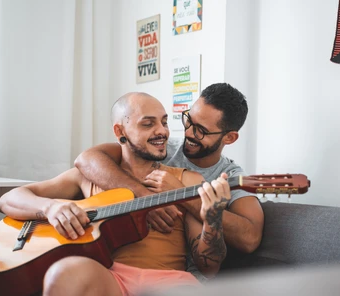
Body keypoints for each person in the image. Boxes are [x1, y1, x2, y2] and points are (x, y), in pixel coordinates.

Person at [0, 92, 231, 296]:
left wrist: (214, 221)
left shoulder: (186, 181)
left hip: (167, 283)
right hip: (107, 277)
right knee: (64, 272)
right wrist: (50, 208)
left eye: (164, 121)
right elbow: (8, 200)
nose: (162, 131)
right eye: (148, 124)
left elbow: (208, 268)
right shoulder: (88, 176)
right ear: (120, 132)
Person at [75, 83, 264, 255]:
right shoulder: (159, 147)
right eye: (188, 120)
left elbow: (250, 239)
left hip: (182, 271)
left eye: (201, 130)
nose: (188, 132)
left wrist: (182, 194)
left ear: (229, 138)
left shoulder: (231, 176)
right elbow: (86, 159)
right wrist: (144, 197)